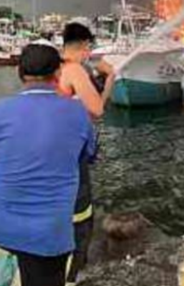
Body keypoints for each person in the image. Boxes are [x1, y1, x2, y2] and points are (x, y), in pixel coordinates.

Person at [0, 42, 97, 286]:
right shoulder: (77, 113)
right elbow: (90, 154)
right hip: (47, 237)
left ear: (20, 74)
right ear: (57, 74)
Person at [58, 22, 115, 283]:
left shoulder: (54, 67)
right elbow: (97, 110)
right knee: (81, 216)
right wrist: (111, 77)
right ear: (83, 46)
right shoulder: (74, 69)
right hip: (70, 151)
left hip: (52, 149)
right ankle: (72, 275)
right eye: (88, 48)